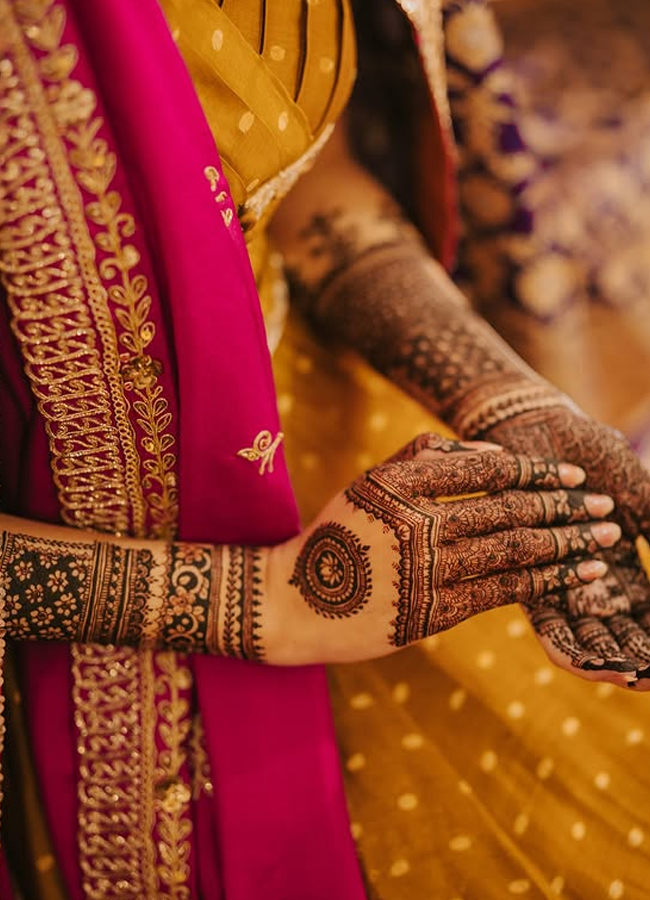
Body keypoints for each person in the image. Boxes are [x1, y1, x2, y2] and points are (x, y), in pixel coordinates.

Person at [1, 1, 649, 898]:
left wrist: (504, 398)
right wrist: (262, 603)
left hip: (320, 430)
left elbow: (303, 183)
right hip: (89, 595)